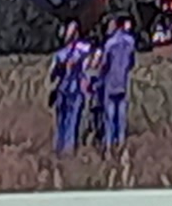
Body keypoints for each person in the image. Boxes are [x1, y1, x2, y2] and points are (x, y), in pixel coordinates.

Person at [94, 12, 138, 149]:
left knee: (109, 116)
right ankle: (121, 144)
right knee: (121, 117)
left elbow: (104, 64)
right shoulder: (131, 42)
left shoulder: (109, 44)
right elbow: (132, 63)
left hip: (110, 82)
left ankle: (109, 145)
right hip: (123, 82)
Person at [50, 24, 94, 154]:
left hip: (67, 89)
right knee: (70, 120)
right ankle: (65, 148)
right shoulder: (80, 51)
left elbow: (52, 75)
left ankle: (62, 147)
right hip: (71, 90)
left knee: (65, 120)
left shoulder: (61, 54)